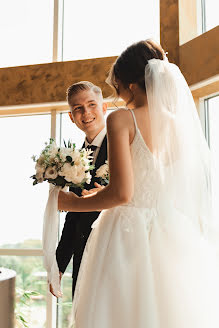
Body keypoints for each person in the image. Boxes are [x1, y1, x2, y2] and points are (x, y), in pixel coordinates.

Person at [58, 40, 219, 327]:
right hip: (168, 229)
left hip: (125, 232)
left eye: (116, 84)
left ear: (131, 85)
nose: (115, 91)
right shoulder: (177, 124)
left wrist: (76, 203)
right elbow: (158, 181)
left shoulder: (121, 118)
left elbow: (122, 193)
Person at [51, 81, 108, 299]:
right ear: (71, 116)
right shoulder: (74, 158)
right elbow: (74, 216)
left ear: (104, 108)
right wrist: (59, 264)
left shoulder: (125, 143)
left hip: (116, 249)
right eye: (78, 108)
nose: (86, 113)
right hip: (83, 259)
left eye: (92, 105)